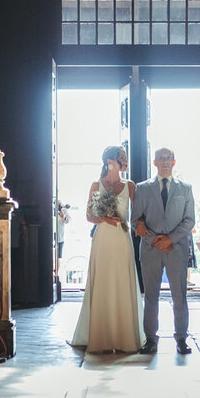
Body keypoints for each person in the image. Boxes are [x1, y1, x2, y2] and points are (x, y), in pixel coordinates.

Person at [69, 145, 145, 354]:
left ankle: (125, 337)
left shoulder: (130, 185)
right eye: (122, 157)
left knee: (122, 282)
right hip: (102, 240)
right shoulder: (96, 185)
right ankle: (101, 336)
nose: (126, 161)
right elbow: (88, 216)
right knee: (102, 282)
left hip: (122, 239)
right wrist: (103, 218)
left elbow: (138, 214)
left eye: (125, 157)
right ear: (110, 161)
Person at [129, 147, 195, 354]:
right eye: (161, 158)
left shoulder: (185, 188)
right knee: (150, 296)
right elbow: (134, 221)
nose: (165, 162)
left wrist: (170, 239)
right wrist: (154, 240)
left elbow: (190, 220)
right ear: (155, 162)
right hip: (150, 249)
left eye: (168, 159)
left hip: (176, 248)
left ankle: (182, 338)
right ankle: (150, 339)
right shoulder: (142, 188)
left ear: (174, 162)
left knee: (179, 295)